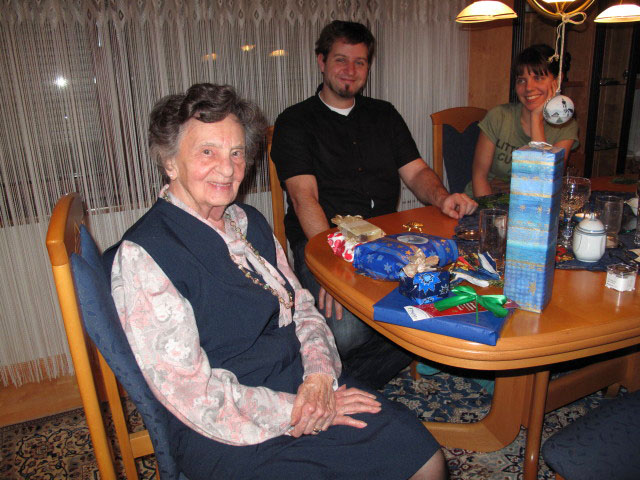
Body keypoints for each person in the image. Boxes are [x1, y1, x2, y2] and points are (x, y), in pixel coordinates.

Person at [105, 83, 447, 480]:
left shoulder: (248, 221)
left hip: (301, 378)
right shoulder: (145, 254)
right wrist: (302, 408)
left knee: (423, 457)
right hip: (225, 425)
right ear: (169, 161)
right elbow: (192, 396)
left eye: (236, 153)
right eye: (207, 152)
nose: (228, 167)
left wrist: (319, 377)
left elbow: (302, 305)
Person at [271, 20, 477, 388]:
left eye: (360, 62)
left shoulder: (385, 114)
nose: (350, 71)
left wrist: (444, 198)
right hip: (323, 242)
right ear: (321, 61)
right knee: (347, 333)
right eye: (341, 60)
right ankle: (349, 383)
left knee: (457, 284)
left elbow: (416, 173)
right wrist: (331, 267)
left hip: (390, 237)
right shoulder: (295, 122)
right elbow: (305, 199)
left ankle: (352, 374)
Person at [466, 44, 579, 198]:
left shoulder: (566, 127)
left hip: (533, 206)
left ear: (557, 82)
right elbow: (479, 176)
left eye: (538, 78)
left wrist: (536, 119)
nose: (528, 88)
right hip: (486, 202)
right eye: (521, 80)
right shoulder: (498, 116)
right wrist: (491, 214)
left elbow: (545, 183)